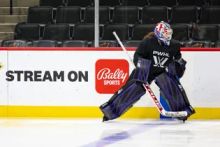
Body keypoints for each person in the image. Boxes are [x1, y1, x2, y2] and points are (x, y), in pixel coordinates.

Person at [99, 21, 195, 122]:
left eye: (169, 33)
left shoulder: (174, 45)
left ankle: (183, 112)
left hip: (162, 71)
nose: (168, 36)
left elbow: (177, 59)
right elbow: (138, 55)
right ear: (159, 33)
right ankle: (110, 112)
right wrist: (140, 65)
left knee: (173, 86)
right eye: (166, 33)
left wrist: (179, 65)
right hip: (146, 70)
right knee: (132, 89)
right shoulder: (148, 42)